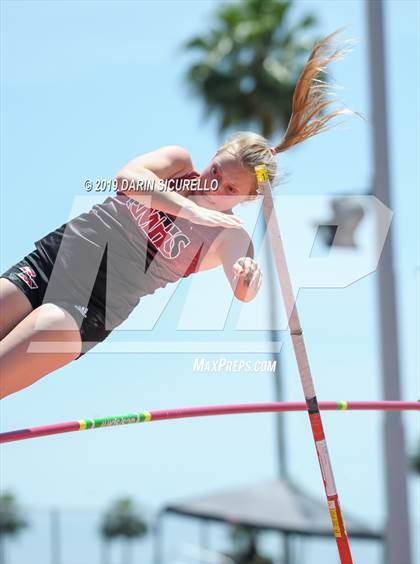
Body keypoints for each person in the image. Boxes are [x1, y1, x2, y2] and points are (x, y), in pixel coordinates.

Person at [0, 31, 351, 399]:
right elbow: (127, 179)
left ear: (248, 198)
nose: (214, 186)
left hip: (91, 307)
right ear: (213, 156)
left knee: (45, 330)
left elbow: (242, 288)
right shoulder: (177, 162)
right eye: (216, 170)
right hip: (53, 261)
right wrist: (190, 210)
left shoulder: (229, 234)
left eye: (230, 189)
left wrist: (245, 278)